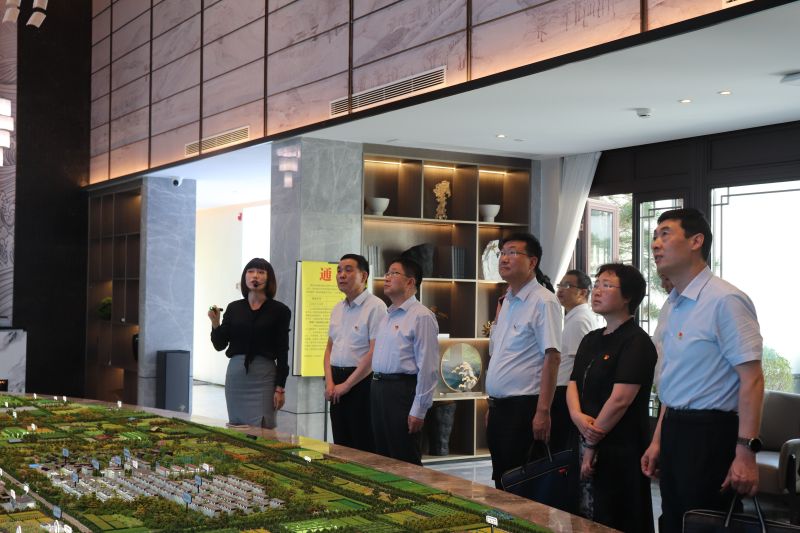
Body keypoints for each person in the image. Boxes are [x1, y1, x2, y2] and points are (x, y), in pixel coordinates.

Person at [641, 208, 764, 533]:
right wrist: (658, 440)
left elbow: (752, 379)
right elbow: (675, 381)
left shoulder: (726, 300)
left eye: (665, 234)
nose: (655, 244)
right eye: (654, 236)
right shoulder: (673, 304)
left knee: (704, 522)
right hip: (675, 426)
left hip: (710, 433)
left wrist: (746, 452)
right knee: (673, 520)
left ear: (696, 241)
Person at [567, 263, 657, 532]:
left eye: (607, 285)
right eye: (596, 284)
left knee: (615, 515)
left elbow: (620, 400)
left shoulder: (637, 341)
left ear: (627, 296)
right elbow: (573, 382)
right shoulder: (591, 338)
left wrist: (592, 440)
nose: (597, 291)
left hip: (619, 446)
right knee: (581, 513)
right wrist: (577, 416)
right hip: (582, 436)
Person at [485, 232, 562, 488]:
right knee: (502, 481)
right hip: (500, 408)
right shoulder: (507, 300)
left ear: (532, 262)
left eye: (512, 253)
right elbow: (501, 356)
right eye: (502, 253)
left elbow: (552, 357)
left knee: (521, 483)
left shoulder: (543, 301)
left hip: (524, 409)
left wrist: (543, 411)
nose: (504, 259)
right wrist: (492, 404)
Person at [370, 257, 439, 465]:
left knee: (404, 459)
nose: (387, 277)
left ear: (410, 282)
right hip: (379, 389)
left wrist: (419, 410)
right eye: (387, 273)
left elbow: (428, 368)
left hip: (402, 391)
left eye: (393, 273)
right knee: (382, 458)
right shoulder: (387, 315)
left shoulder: (421, 316)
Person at [208, 258, 291, 429]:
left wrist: (280, 387)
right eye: (251, 271)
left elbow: (283, 351)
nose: (255, 276)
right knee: (237, 427)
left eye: (261, 272)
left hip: (264, 376)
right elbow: (220, 345)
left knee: (264, 427)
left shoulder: (280, 310)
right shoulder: (234, 308)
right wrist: (215, 323)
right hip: (236, 376)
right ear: (244, 277)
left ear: (269, 278)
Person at [323, 253, 387, 452]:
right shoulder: (337, 308)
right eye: (339, 270)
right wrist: (330, 382)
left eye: (348, 270)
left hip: (362, 383)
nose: (341, 275)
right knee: (340, 444)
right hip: (336, 382)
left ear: (364, 276)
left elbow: (374, 352)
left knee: (363, 444)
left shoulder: (376, 307)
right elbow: (329, 348)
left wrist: (347, 385)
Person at [554, 269, 596, 452]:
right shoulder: (573, 317)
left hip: (567, 391)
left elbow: (580, 364)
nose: (560, 289)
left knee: (561, 447)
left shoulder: (580, 319)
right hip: (563, 389)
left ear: (583, 292)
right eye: (560, 284)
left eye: (567, 285)